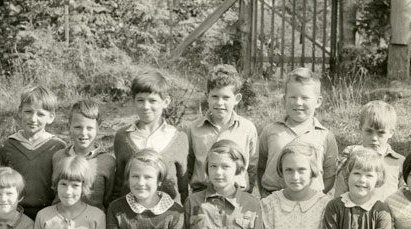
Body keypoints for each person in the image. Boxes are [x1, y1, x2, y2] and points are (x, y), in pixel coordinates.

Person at [257, 68, 338, 198]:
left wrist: (314, 198)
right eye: (293, 97)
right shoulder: (270, 131)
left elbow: (329, 175)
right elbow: (261, 167)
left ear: (318, 102)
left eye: (305, 97)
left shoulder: (325, 136)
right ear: (284, 99)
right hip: (273, 197)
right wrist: (266, 195)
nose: (298, 103)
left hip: (310, 202)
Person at [110, 71, 189, 204]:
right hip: (131, 214)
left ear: (166, 102)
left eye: (153, 101)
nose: (146, 107)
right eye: (140, 100)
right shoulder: (123, 136)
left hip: (169, 216)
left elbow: (183, 185)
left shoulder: (178, 138)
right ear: (133, 101)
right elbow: (119, 182)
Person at [186, 64, 258, 192]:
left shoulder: (247, 129)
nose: (220, 103)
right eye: (215, 96)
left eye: (226, 98)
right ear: (207, 96)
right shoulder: (194, 129)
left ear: (237, 99)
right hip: (202, 196)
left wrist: (247, 195)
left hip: (237, 197)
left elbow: (252, 166)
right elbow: (189, 166)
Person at [0, 85, 66, 221]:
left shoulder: (58, 147)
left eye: (40, 114)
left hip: (50, 214)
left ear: (51, 117)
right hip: (17, 214)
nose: (33, 119)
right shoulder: (8, 145)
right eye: (28, 112)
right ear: (20, 112)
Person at [333, 101, 404, 201]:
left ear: (391, 132)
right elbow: (339, 194)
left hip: (387, 214)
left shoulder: (400, 163)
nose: (374, 138)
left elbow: (404, 198)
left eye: (381, 133)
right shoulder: (352, 156)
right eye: (369, 131)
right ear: (360, 128)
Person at [52, 99, 116, 210]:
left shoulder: (108, 162)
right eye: (78, 127)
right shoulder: (58, 157)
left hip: (92, 223)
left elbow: (108, 198)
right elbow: (54, 192)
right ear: (69, 127)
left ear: (98, 128)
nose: (83, 133)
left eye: (90, 128)